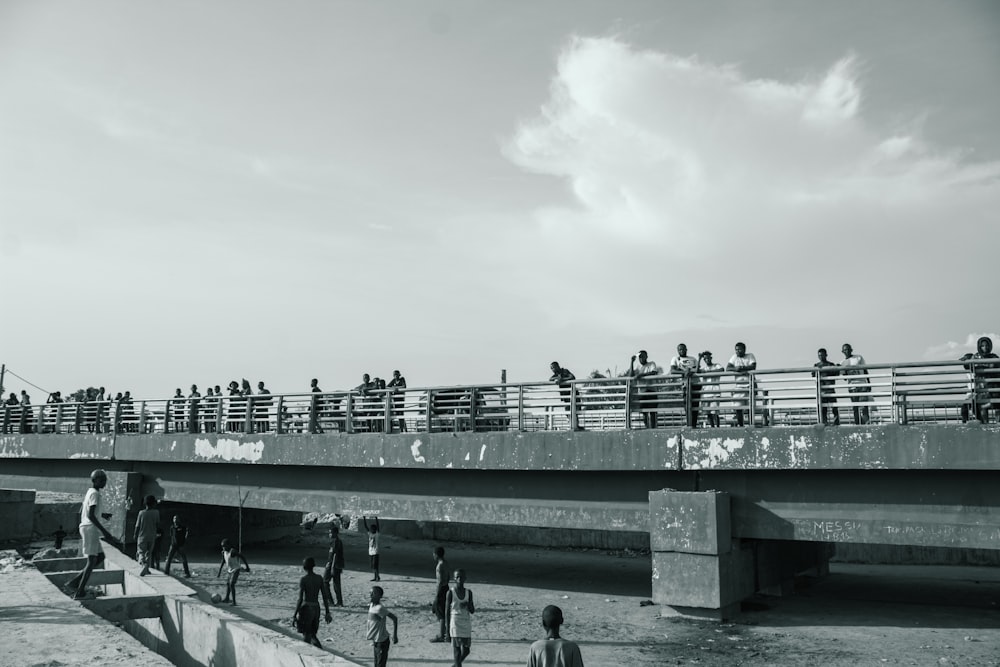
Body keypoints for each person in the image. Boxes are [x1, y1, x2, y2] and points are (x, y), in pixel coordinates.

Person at [64, 469, 118, 600]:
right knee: (92, 560)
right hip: (90, 528)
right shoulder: (95, 494)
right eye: (101, 480)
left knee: (100, 557)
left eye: (105, 480)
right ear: (94, 481)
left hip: (88, 527)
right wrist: (105, 532)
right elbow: (90, 515)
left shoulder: (90, 492)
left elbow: (86, 510)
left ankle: (74, 583)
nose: (104, 482)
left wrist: (103, 515)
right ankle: (80, 591)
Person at [293, 556, 332, 648]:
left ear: (304, 567)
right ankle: (319, 649)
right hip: (316, 608)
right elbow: (324, 596)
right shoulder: (319, 578)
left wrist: (294, 615)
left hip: (306, 608)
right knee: (312, 634)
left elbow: (300, 599)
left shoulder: (304, 579)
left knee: (307, 635)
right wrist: (327, 612)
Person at [960, 336, 1000, 424]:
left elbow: (997, 370)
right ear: (979, 346)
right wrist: (966, 359)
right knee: (979, 412)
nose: (985, 348)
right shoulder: (975, 357)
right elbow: (968, 366)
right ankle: (982, 426)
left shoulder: (994, 357)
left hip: (993, 389)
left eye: (987, 346)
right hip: (980, 389)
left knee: (998, 407)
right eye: (982, 346)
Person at [446, 568, 475, 667]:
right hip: (455, 623)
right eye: (457, 577)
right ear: (454, 579)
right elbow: (447, 612)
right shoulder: (451, 592)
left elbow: (472, 610)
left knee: (466, 650)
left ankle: (455, 665)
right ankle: (457, 664)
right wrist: (447, 630)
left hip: (466, 623)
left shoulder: (469, 592)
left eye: (461, 577)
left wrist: (468, 604)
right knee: (457, 651)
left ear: (465, 578)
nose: (459, 579)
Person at [628, 350, 663, 429]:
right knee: (644, 412)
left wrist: (641, 375)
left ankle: (653, 428)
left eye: (643, 357)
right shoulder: (638, 367)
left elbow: (654, 372)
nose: (641, 359)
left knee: (652, 411)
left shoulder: (651, 364)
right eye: (640, 357)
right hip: (642, 392)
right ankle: (647, 427)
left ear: (646, 357)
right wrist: (631, 362)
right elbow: (630, 375)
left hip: (651, 391)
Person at [726, 342, 757, 427]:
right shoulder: (734, 357)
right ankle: (741, 425)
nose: (738, 351)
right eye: (736, 350)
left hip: (749, 385)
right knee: (738, 407)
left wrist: (742, 368)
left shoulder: (750, 356)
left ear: (744, 350)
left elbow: (753, 366)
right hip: (739, 386)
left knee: (750, 407)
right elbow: (727, 368)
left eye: (739, 349)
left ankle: (751, 424)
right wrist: (735, 369)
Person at [366, 585, 398, 667]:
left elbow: (394, 618)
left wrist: (395, 635)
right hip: (376, 641)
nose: (370, 595)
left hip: (382, 641)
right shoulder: (371, 605)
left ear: (379, 596)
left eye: (373, 593)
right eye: (370, 593)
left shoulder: (380, 608)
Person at [670, 344, 700, 427]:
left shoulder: (693, 359)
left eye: (683, 349)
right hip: (685, 385)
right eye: (679, 350)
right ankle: (689, 424)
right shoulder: (675, 359)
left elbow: (697, 369)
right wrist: (684, 372)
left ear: (686, 349)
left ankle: (694, 424)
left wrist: (691, 371)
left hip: (696, 383)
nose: (681, 351)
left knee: (695, 405)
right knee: (687, 405)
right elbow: (673, 370)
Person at [841, 344, 870, 425]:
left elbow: (865, 370)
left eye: (848, 349)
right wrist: (845, 370)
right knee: (855, 407)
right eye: (845, 350)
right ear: (842, 351)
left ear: (851, 350)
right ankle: (857, 424)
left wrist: (868, 383)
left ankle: (866, 423)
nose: (847, 351)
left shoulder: (858, 357)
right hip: (852, 387)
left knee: (864, 406)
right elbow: (845, 378)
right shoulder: (842, 362)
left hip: (862, 385)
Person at [217, 538, 251, 605]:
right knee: (228, 584)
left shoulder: (233, 552)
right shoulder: (224, 552)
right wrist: (219, 571)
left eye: (225, 546)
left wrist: (247, 567)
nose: (223, 548)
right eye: (222, 546)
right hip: (229, 570)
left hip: (236, 569)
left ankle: (234, 602)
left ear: (229, 545)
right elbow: (223, 561)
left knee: (232, 584)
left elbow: (242, 557)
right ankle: (227, 598)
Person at [133, 495, 160, 576]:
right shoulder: (156, 513)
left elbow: (137, 526)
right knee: (149, 553)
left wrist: (135, 534)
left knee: (141, 552)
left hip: (142, 536)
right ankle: (147, 569)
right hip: (152, 536)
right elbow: (157, 524)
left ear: (145, 503)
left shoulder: (141, 513)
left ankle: (143, 564)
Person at [549, 362, 581, 430]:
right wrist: (557, 378)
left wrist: (562, 379)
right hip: (565, 396)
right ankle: (571, 425)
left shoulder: (565, 371)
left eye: (553, 367)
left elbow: (572, 377)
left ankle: (576, 425)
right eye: (551, 368)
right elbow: (550, 379)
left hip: (573, 393)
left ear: (557, 366)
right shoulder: (556, 375)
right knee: (567, 410)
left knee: (575, 410)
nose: (553, 369)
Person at [813, 348, 840, 426]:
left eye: (822, 355)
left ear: (826, 355)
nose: (821, 357)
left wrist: (837, 368)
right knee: (823, 409)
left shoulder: (830, 365)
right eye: (819, 355)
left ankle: (836, 423)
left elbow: (836, 374)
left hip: (830, 389)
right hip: (822, 390)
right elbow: (813, 376)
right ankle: (824, 422)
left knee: (834, 408)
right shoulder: (816, 365)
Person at [697, 351, 724, 428]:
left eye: (708, 357)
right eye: (705, 358)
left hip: (715, 391)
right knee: (707, 412)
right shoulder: (703, 368)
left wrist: (709, 372)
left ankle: (717, 427)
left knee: (715, 412)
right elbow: (697, 370)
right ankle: (712, 427)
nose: (707, 359)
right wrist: (699, 358)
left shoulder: (716, 365)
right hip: (705, 392)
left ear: (711, 358)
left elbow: (722, 369)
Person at [430, 546, 451, 642]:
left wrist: (437, 595)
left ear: (436, 555)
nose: (433, 556)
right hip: (446, 587)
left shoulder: (439, 566)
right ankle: (447, 632)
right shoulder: (446, 563)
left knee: (440, 613)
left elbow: (440, 581)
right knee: (443, 611)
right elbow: (448, 577)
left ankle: (442, 635)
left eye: (434, 554)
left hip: (441, 589)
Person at [324, 524, 345, 607]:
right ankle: (338, 601)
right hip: (335, 565)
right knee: (336, 583)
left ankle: (331, 601)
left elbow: (335, 555)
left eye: (331, 533)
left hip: (333, 565)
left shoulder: (336, 542)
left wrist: (332, 567)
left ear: (335, 533)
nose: (329, 534)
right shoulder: (335, 541)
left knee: (325, 582)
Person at [363, 515, 381, 581]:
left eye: (373, 529)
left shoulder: (377, 535)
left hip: (375, 551)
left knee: (375, 565)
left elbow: (378, 526)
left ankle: (377, 576)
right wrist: (364, 518)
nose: (371, 530)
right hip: (370, 552)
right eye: (371, 529)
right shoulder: (370, 534)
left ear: (375, 529)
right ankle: (376, 576)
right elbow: (365, 526)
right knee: (372, 566)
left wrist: (376, 519)